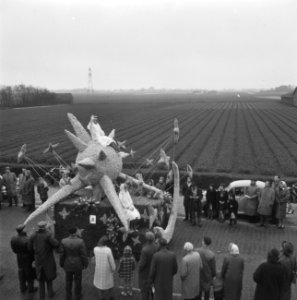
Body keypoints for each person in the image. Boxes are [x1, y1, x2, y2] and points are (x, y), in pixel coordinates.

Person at [29, 221, 59, 300]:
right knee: (49, 278)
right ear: (45, 227)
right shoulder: (48, 235)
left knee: (41, 279)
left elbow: (30, 247)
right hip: (47, 259)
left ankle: (41, 296)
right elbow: (56, 244)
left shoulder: (33, 235)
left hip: (38, 260)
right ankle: (50, 293)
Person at [60, 227, 88, 300]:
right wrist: (85, 264)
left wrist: (61, 263)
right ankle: (77, 296)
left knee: (68, 281)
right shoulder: (80, 241)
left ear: (69, 233)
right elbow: (83, 255)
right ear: (75, 233)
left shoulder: (63, 241)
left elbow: (62, 254)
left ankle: (68, 296)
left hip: (67, 264)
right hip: (78, 264)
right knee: (78, 281)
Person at [11, 224, 37, 294]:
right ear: (22, 230)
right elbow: (31, 250)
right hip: (27, 258)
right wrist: (34, 258)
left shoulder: (13, 238)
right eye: (25, 228)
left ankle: (22, 287)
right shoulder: (27, 239)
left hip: (19, 257)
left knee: (21, 272)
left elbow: (13, 249)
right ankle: (30, 288)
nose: (26, 229)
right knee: (29, 273)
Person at [93, 236, 116, 300]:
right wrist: (113, 268)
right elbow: (111, 261)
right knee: (109, 284)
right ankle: (111, 297)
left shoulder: (95, 249)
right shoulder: (108, 250)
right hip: (107, 270)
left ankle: (102, 298)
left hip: (98, 269)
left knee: (99, 284)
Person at [138, 231, 159, 300]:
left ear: (146, 239)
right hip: (155, 273)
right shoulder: (157, 247)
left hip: (145, 275)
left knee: (145, 293)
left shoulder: (145, 250)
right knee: (154, 291)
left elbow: (142, 264)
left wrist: (139, 269)